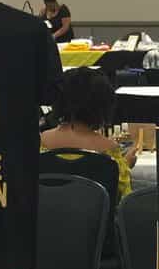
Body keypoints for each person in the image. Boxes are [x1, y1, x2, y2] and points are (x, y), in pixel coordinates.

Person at [40, 67, 137, 199]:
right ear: (104, 105)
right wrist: (126, 165)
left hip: (46, 218)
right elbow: (122, 198)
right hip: (96, 219)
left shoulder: (40, 142)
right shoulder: (110, 150)